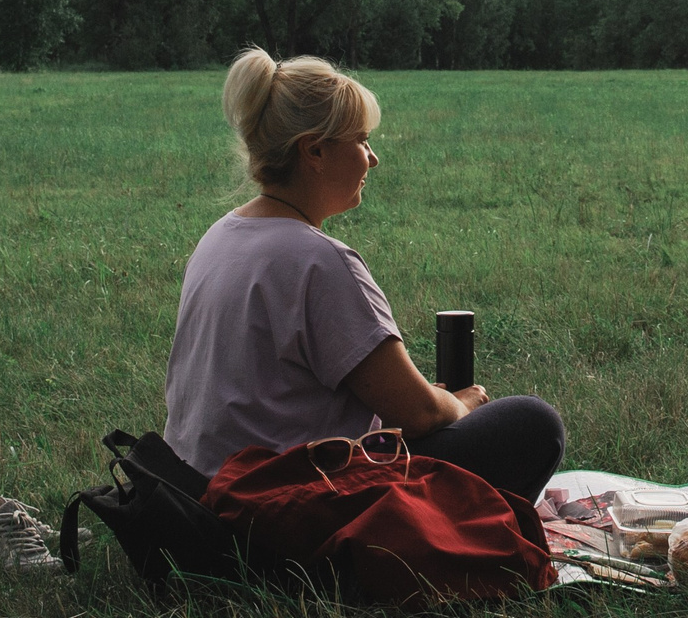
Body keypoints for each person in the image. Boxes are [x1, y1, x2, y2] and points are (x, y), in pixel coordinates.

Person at [163, 48, 566, 501]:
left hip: (199, 497)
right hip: (284, 504)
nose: (372, 159)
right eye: (361, 140)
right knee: (533, 424)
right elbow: (418, 414)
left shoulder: (220, 236)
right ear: (315, 150)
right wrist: (459, 405)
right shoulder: (318, 261)